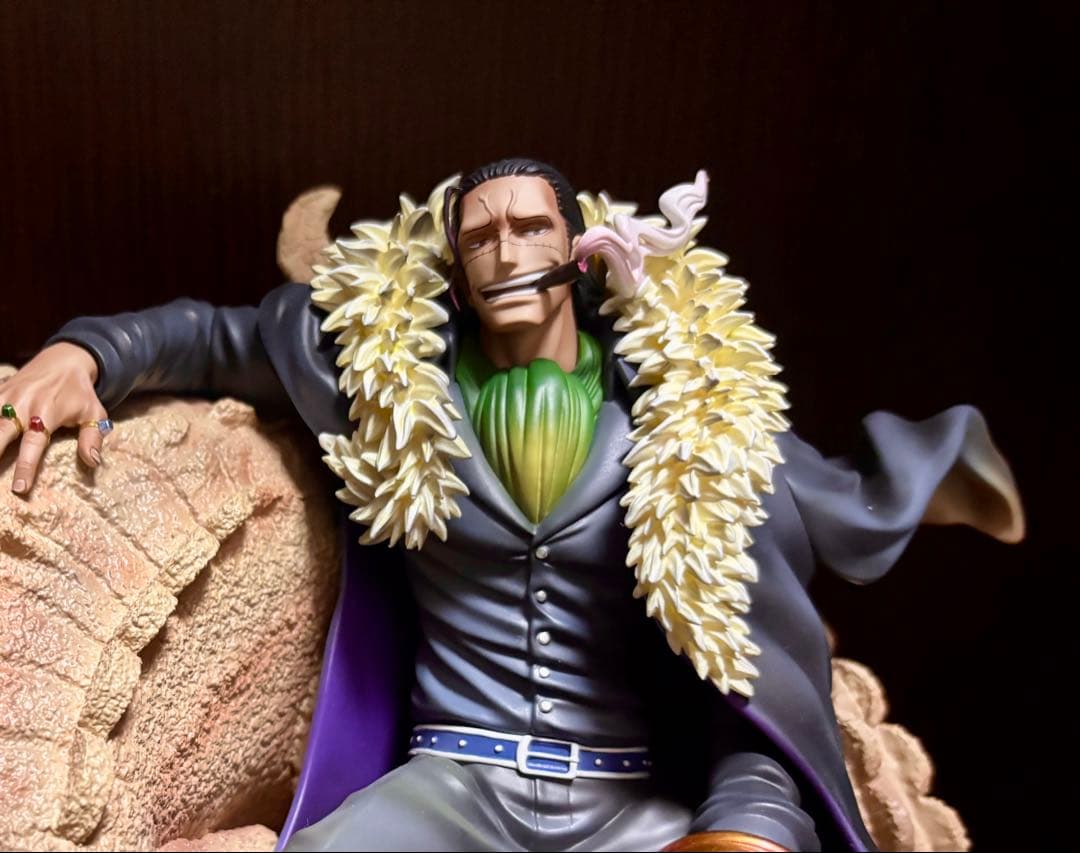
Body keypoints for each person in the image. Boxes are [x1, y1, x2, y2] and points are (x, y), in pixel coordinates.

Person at [0, 158, 1024, 852]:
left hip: (632, 796)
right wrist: (83, 353)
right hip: (453, 781)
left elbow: (823, 503)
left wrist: (927, 475)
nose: (505, 248)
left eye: (531, 226)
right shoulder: (385, 379)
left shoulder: (689, 415)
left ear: (580, 248)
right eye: (481, 234)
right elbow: (214, 338)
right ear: (454, 266)